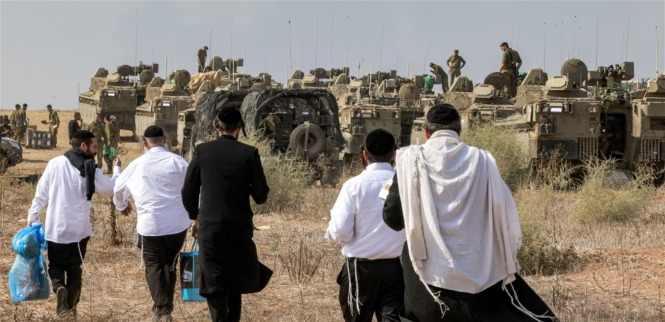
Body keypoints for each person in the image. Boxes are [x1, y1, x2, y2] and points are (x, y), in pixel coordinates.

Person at [383, 104, 557, 322]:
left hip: (427, 285)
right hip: (480, 275)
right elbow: (502, 209)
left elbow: (392, 220)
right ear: (459, 131)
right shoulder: (483, 160)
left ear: (426, 133)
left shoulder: (410, 161)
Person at [181, 108, 271, 322]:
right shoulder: (249, 153)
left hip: (210, 227)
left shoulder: (202, 151)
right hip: (238, 228)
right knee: (235, 280)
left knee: (214, 281)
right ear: (240, 129)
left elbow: (188, 192)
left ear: (216, 127)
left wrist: (196, 216)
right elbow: (260, 196)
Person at [27, 130, 122, 318]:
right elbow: (113, 189)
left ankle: (59, 287)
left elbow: (41, 193)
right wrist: (117, 169)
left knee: (55, 265)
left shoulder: (54, 163)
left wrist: (33, 215)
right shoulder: (90, 170)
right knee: (75, 269)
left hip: (57, 229)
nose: (96, 151)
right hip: (79, 231)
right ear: (83, 146)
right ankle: (70, 308)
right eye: (94, 146)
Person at [113, 125, 191, 322]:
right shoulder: (179, 162)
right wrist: (196, 217)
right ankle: (165, 307)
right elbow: (194, 189)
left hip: (150, 225)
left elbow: (118, 189)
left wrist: (122, 205)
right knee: (170, 264)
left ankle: (162, 310)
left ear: (144, 143)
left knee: (154, 266)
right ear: (164, 140)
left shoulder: (137, 164)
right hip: (177, 225)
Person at [326, 129, 405, 322]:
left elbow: (339, 232)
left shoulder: (354, 186)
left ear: (364, 153)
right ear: (394, 153)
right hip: (398, 269)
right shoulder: (406, 184)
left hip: (360, 271)